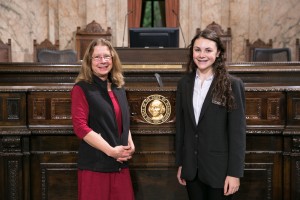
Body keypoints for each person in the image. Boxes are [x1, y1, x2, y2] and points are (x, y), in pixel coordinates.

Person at [175, 29, 246, 200]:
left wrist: (234, 173)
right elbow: (181, 128)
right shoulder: (184, 84)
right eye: (197, 49)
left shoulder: (232, 84)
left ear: (218, 53)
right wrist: (181, 163)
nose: (202, 55)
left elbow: (237, 133)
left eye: (208, 50)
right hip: (192, 170)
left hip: (220, 172)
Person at [71, 38, 135, 200]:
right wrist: (111, 151)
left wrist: (130, 145)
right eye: (97, 57)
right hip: (96, 166)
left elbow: (123, 122)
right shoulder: (82, 88)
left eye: (107, 56)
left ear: (113, 59)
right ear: (89, 61)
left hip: (120, 164)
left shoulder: (118, 87)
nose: (103, 61)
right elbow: (80, 127)